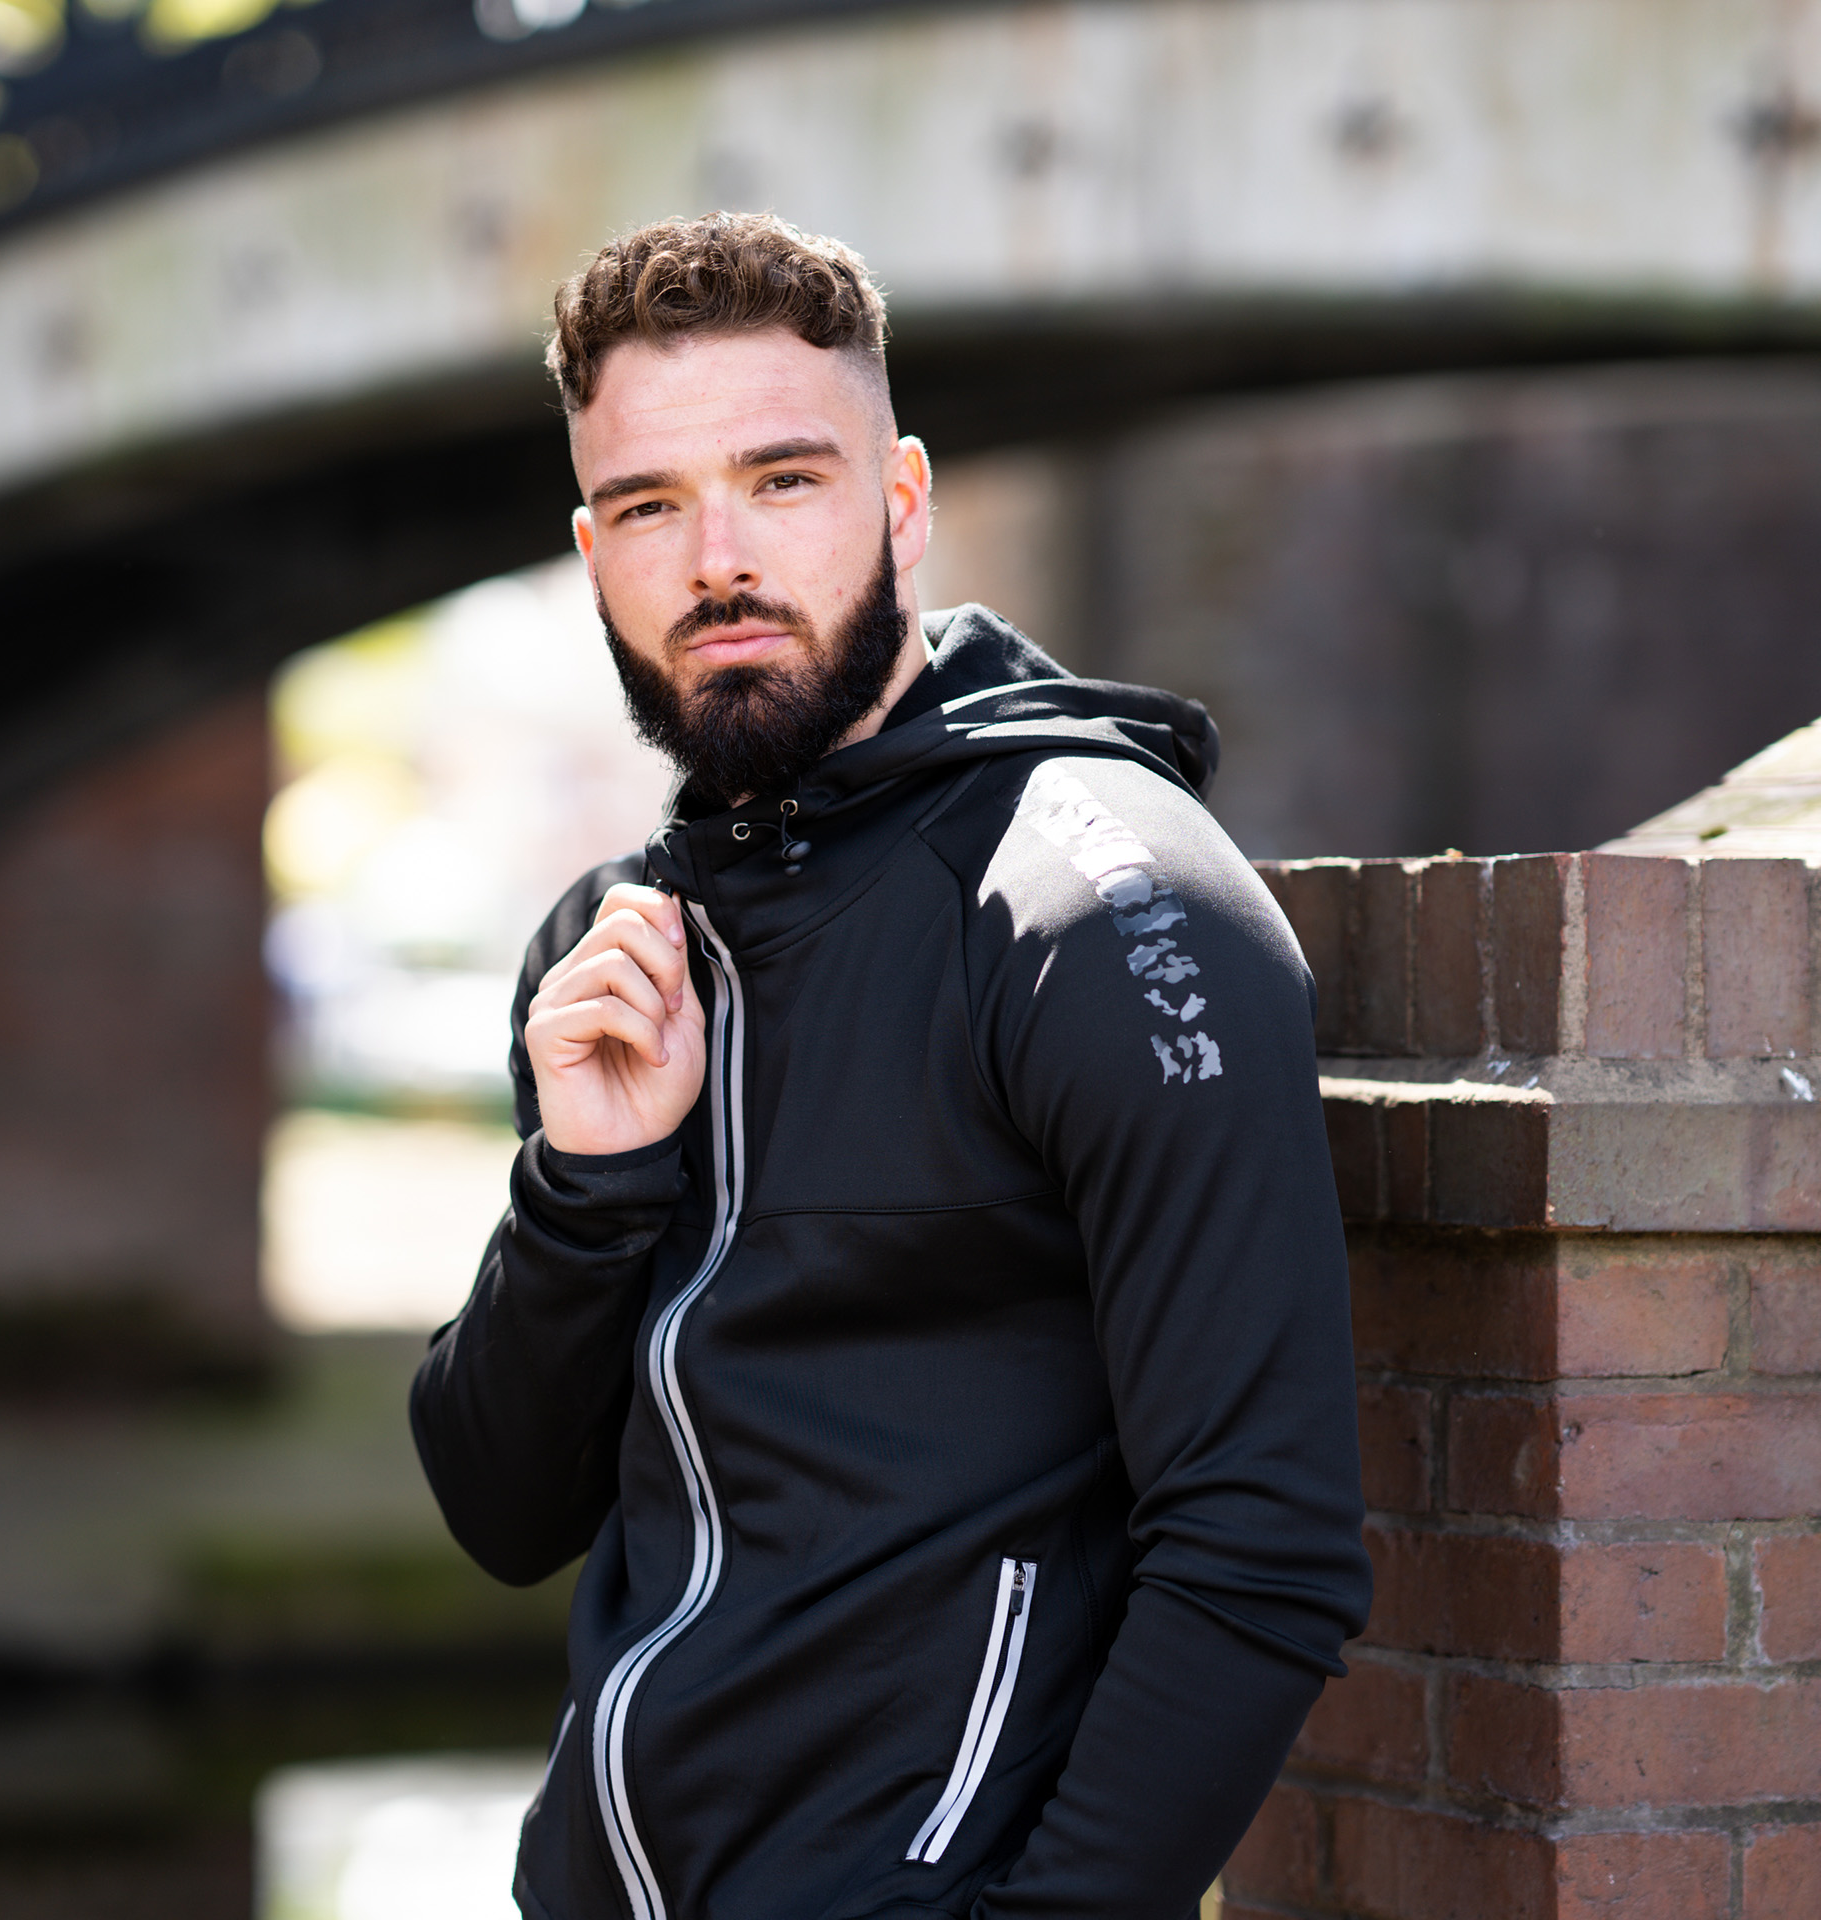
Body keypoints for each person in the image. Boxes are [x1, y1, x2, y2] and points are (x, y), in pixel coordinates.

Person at [411, 212, 1370, 1920]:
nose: (719, 562)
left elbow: (1263, 1548)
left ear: (902, 499)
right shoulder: (615, 947)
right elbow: (503, 1510)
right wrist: (587, 1189)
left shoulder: (1106, 911)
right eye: (651, 505)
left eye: (783, 480)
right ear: (592, 549)